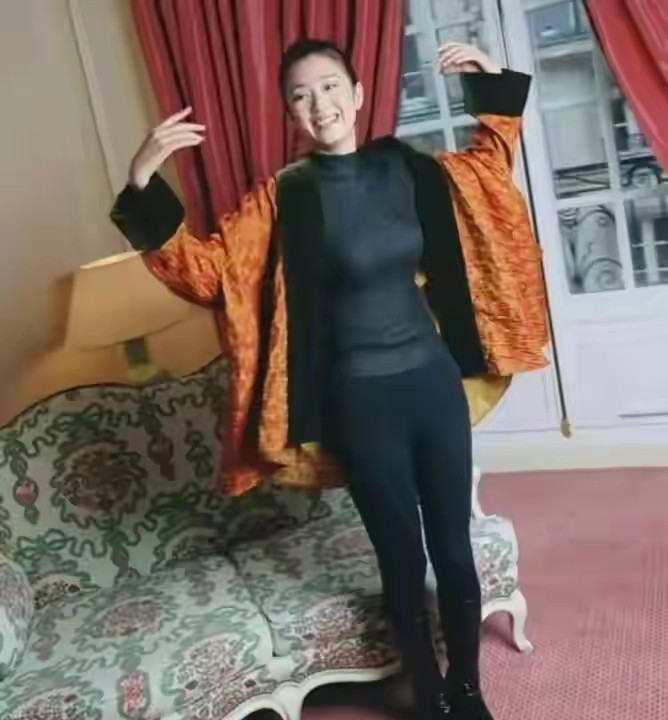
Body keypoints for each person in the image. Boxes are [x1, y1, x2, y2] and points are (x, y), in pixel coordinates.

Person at [111, 39, 548, 719]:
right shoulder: (283, 197)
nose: (320, 104)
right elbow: (208, 273)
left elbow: (488, 175)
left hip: (433, 385)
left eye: (330, 86)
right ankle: (427, 693)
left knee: (454, 550)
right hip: (359, 401)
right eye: (301, 95)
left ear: (359, 93)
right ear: (291, 113)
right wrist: (141, 181)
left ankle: (466, 688)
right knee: (401, 557)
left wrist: (492, 86)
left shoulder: (409, 168)